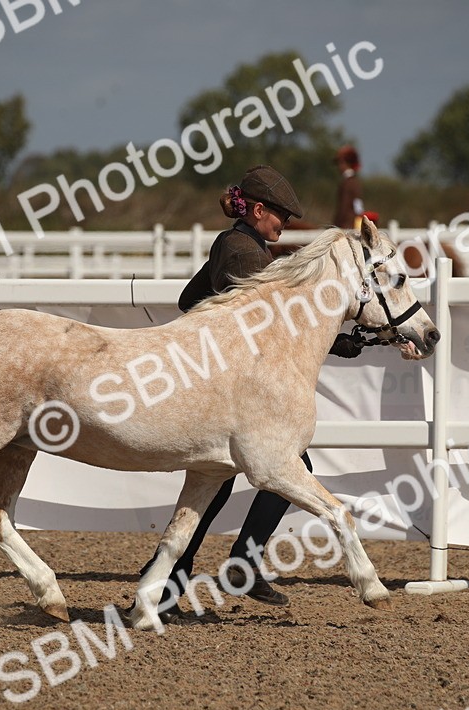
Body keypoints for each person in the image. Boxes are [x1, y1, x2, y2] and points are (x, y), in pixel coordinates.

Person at [142, 165, 363, 625]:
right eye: (281, 215)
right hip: (232, 391)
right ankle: (240, 562)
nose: (286, 223)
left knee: (212, 490)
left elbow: (188, 299)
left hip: (225, 386)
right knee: (290, 467)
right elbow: (269, 321)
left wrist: (338, 340)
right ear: (258, 210)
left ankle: (170, 581)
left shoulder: (239, 245)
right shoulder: (244, 252)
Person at [333, 145, 364, 230]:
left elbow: (343, 208)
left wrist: (335, 226)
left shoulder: (347, 183)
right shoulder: (355, 182)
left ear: (344, 163)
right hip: (354, 225)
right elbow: (359, 208)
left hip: (345, 226)